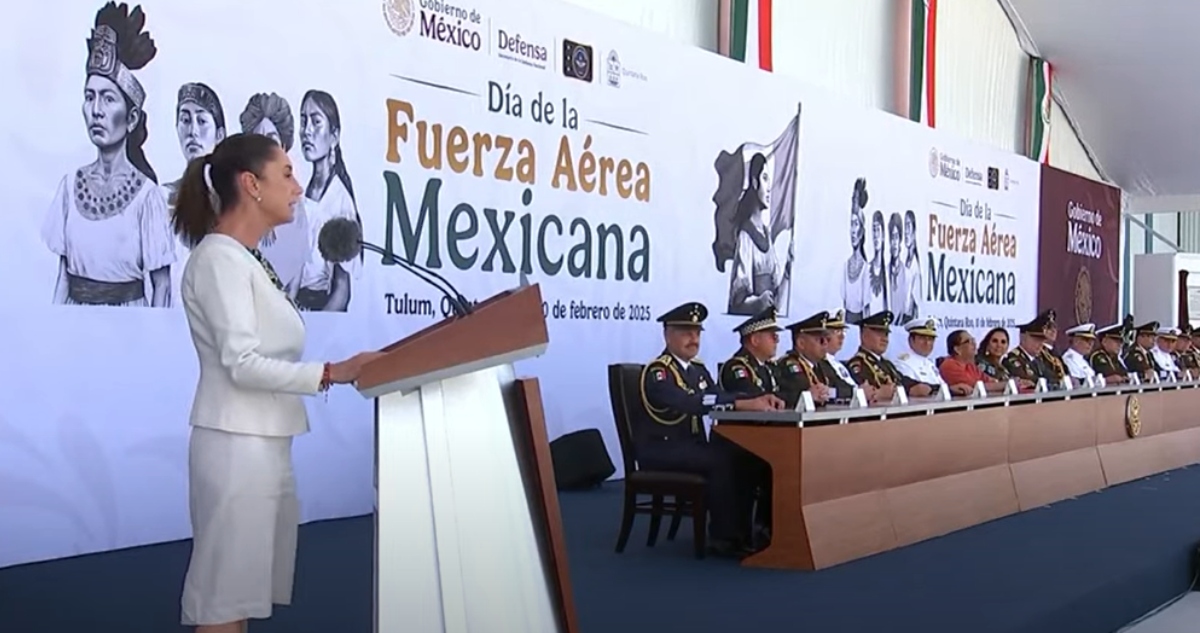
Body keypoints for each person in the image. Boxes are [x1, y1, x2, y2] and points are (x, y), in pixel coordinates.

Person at [171, 132, 384, 633]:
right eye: (286, 173)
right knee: (224, 601)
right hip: (235, 447)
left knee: (239, 596)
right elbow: (241, 363)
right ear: (252, 184)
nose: (299, 185)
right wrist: (332, 373)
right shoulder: (220, 260)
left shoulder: (248, 260)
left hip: (261, 444)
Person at [637, 301, 783, 556]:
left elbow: (721, 395)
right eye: (686, 332)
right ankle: (724, 538)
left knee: (747, 455)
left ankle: (754, 532)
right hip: (663, 448)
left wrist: (759, 399)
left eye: (697, 333)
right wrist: (742, 402)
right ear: (667, 334)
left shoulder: (698, 371)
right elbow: (689, 403)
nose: (693, 339)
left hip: (692, 446)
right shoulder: (658, 372)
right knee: (721, 460)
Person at [719, 305, 784, 396]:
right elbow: (751, 398)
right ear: (755, 340)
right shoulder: (736, 367)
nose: (777, 341)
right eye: (773, 336)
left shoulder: (768, 367)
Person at [939, 329, 1005, 394]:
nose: (974, 343)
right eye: (968, 341)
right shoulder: (949, 365)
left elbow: (990, 381)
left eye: (973, 340)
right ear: (957, 349)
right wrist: (1005, 385)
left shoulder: (970, 366)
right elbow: (975, 387)